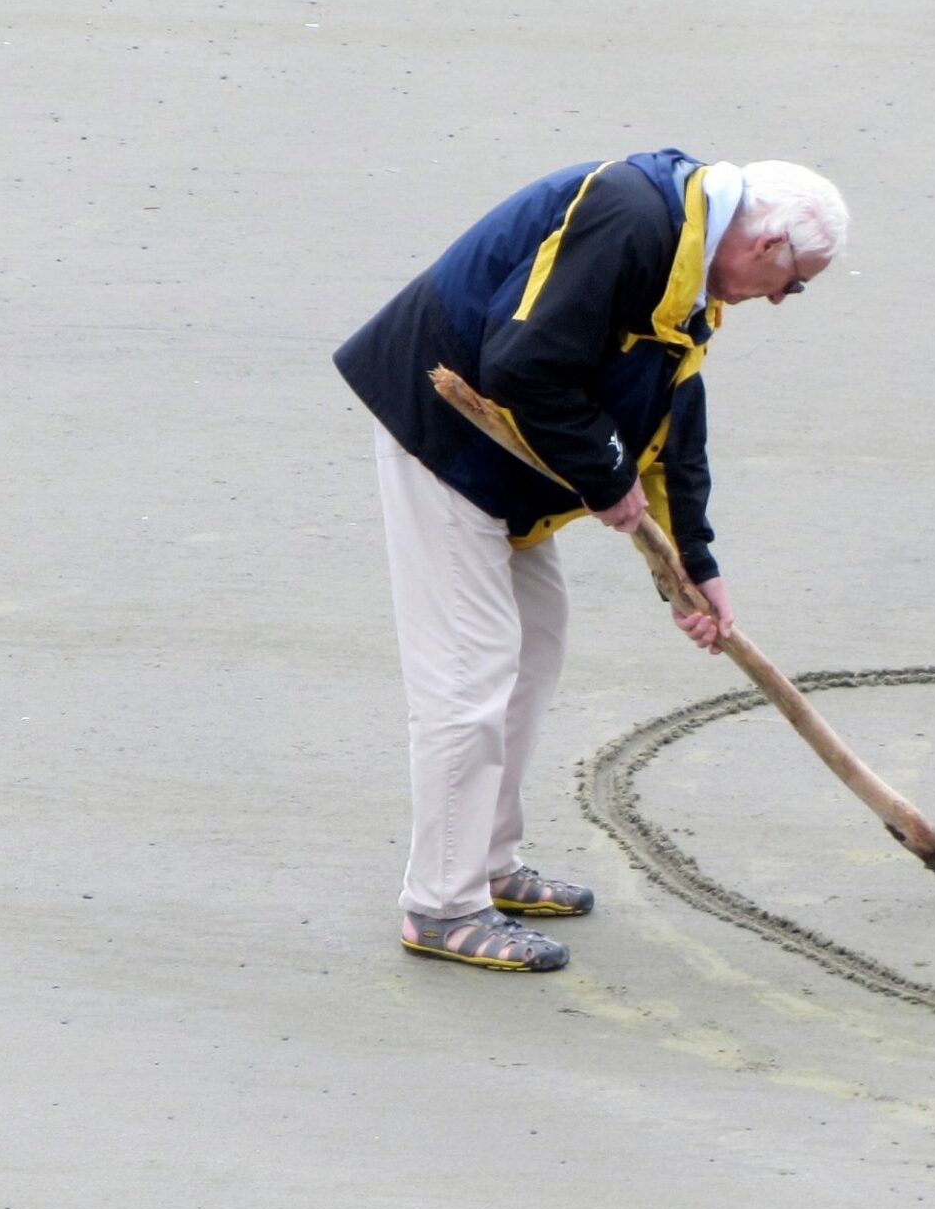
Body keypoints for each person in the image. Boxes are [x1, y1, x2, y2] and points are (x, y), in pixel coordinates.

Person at [334, 150, 846, 972]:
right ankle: (441, 903)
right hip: (442, 436)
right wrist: (607, 482)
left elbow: (672, 417)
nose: (783, 301)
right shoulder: (634, 218)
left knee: (535, 645)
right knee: (470, 675)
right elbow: (519, 363)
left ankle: (488, 866)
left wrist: (692, 568)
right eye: (795, 283)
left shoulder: (690, 270)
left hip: (506, 462)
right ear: (768, 244)